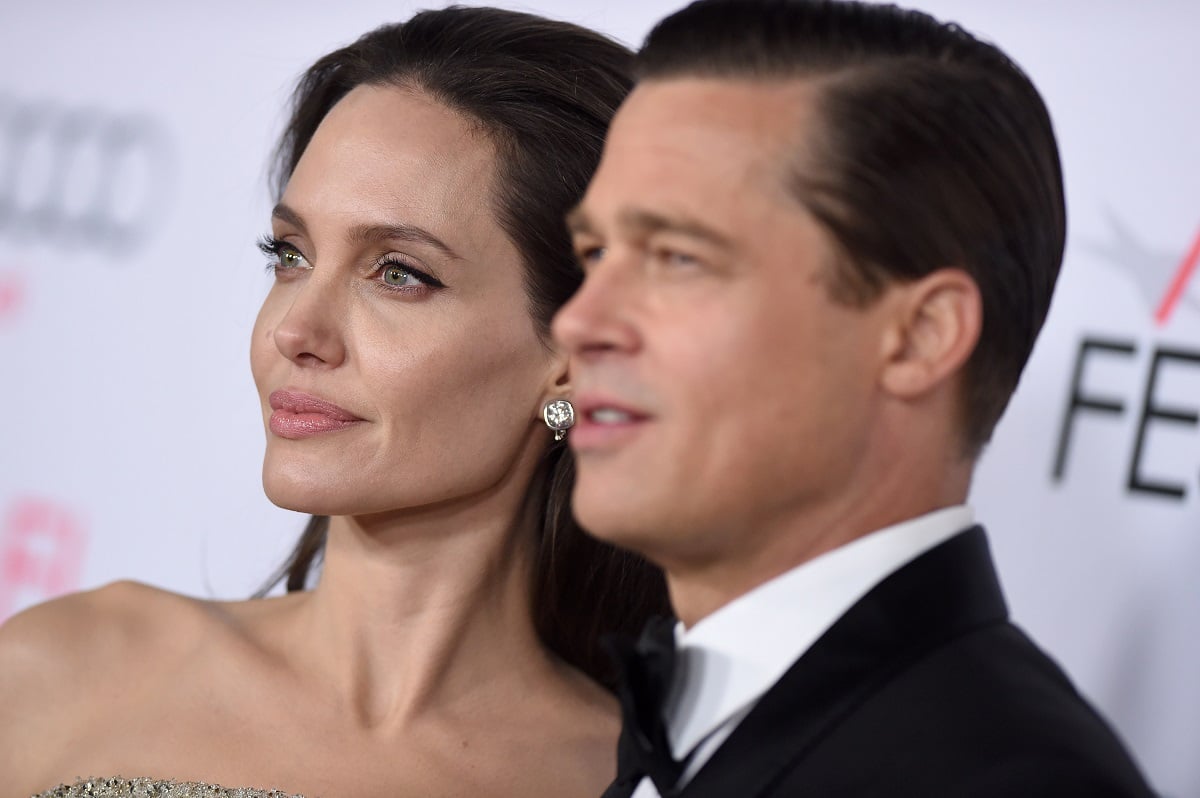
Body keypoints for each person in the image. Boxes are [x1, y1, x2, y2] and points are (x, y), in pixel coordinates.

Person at [0, 8, 667, 797]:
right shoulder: (62, 670)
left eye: (397, 274)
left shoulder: (629, 778)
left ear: (572, 357)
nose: (295, 330)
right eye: (291, 256)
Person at [552, 1, 1158, 796]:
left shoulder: (1017, 781)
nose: (579, 319)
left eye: (677, 257)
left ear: (918, 338)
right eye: (595, 252)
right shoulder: (681, 721)